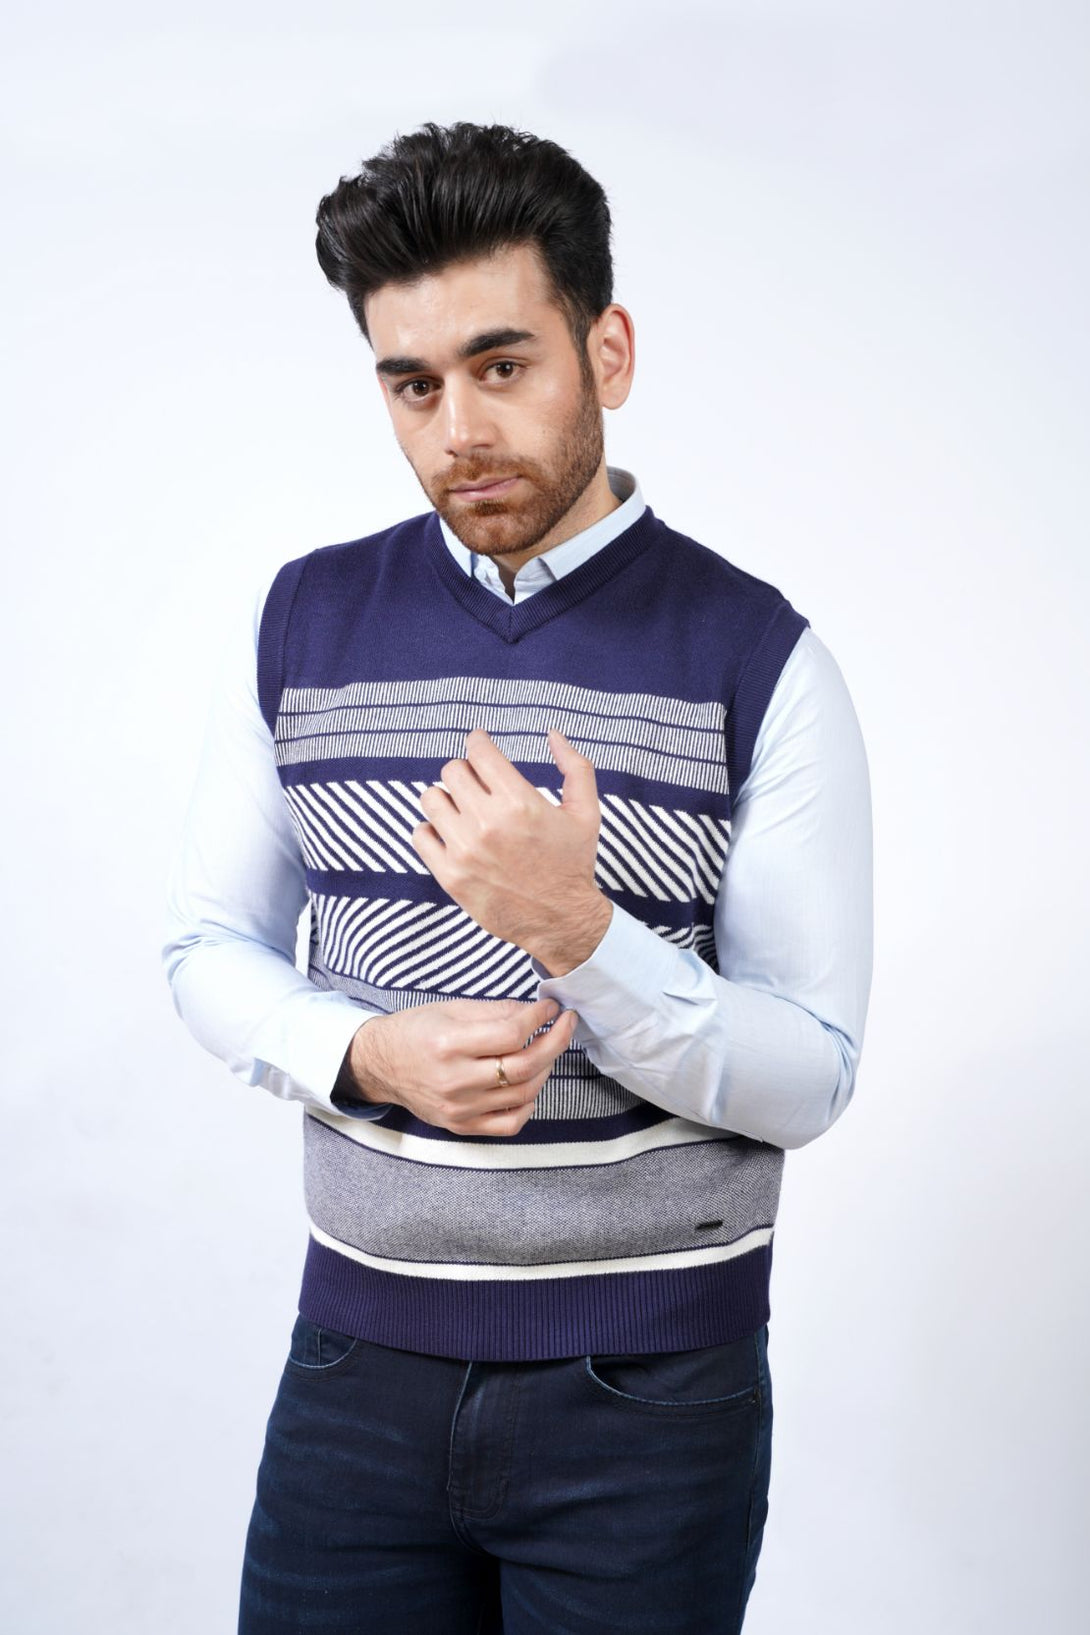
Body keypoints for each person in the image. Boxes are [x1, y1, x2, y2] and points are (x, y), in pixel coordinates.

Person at [163, 119, 873, 1635]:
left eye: (503, 365)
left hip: (649, 1398)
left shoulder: (759, 658)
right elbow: (207, 948)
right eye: (412, 384)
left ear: (607, 352)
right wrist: (365, 1055)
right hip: (353, 1372)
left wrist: (576, 931)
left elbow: (810, 1074)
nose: (459, 429)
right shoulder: (300, 623)